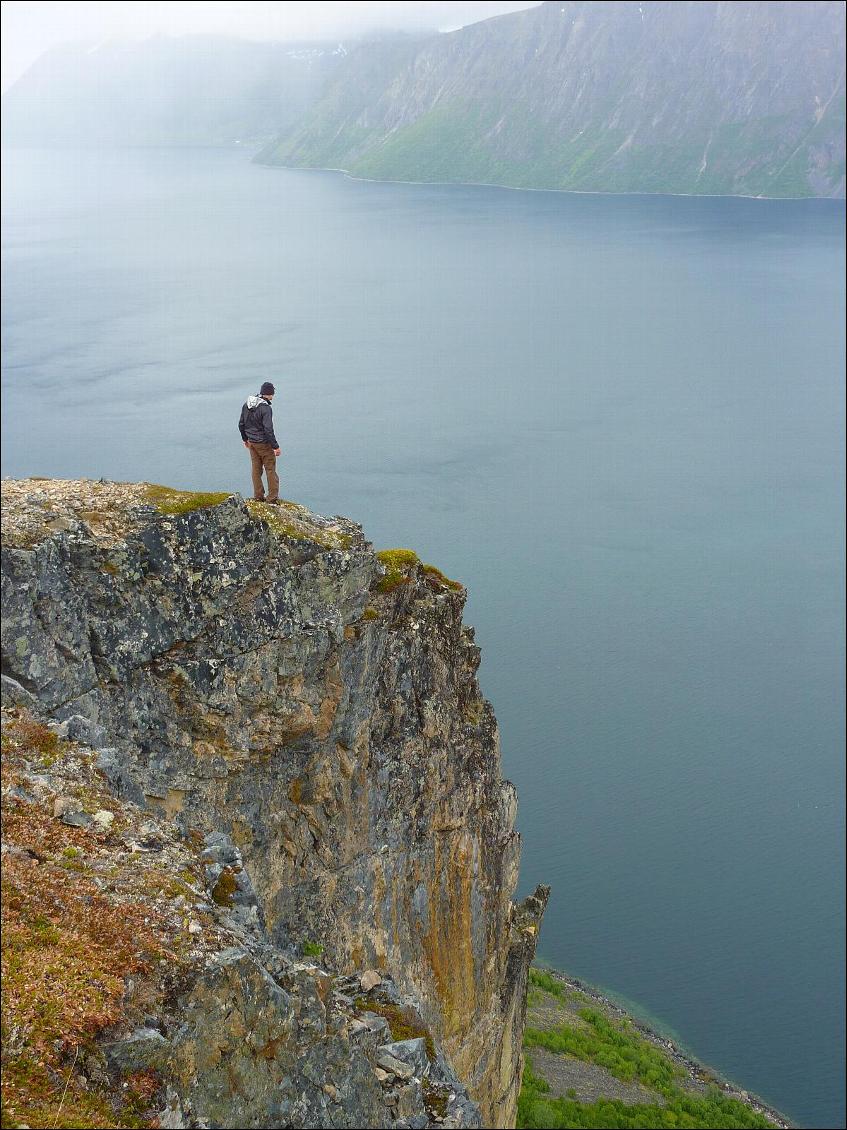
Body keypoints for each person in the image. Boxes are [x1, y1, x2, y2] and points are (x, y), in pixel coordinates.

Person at [238, 381, 281, 503]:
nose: (273, 396)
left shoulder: (247, 405)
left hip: (252, 443)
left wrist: (245, 439)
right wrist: (275, 447)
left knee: (256, 469)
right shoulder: (266, 408)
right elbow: (268, 429)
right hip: (263, 443)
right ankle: (272, 498)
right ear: (269, 394)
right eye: (272, 393)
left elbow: (241, 424)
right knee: (270, 469)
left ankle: (258, 496)